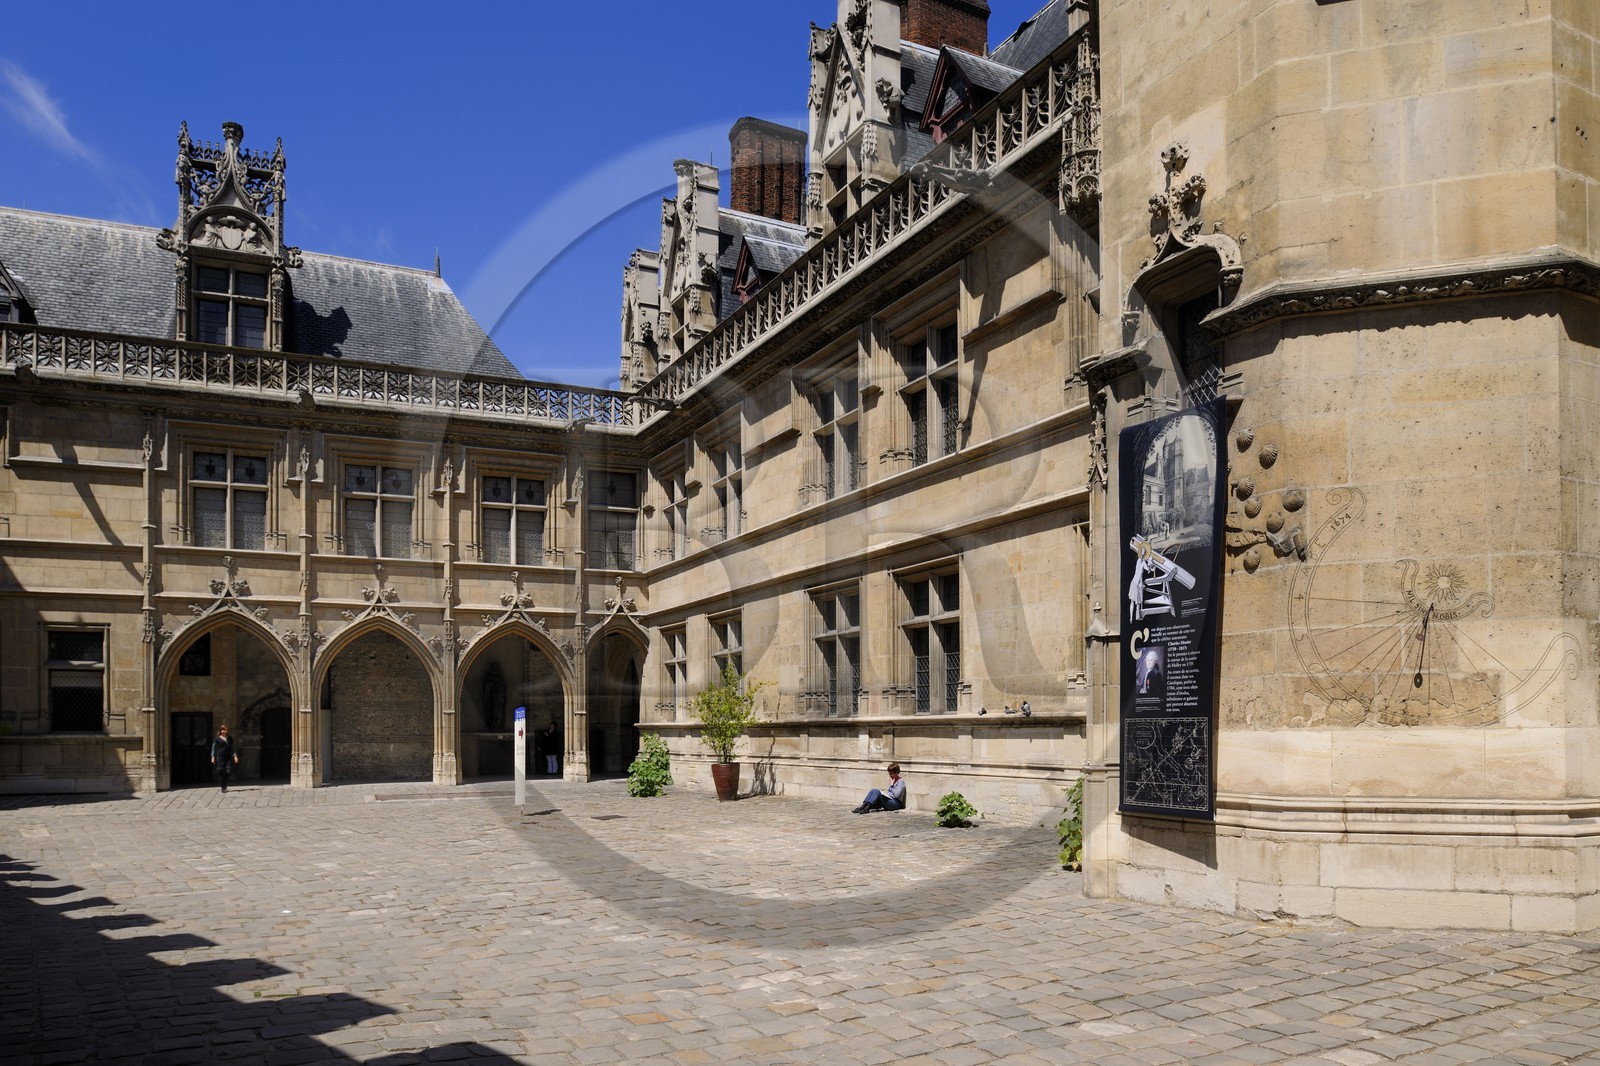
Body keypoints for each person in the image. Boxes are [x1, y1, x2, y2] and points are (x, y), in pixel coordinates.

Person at [210, 724, 238, 793]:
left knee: (228, 771)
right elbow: (213, 748)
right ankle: (223, 786)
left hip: (228, 756)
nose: (224, 731)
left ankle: (225, 784)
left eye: (225, 730)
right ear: (220, 731)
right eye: (223, 730)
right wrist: (212, 757)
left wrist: (235, 756)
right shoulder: (217, 739)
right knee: (221, 771)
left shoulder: (230, 738)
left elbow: (233, 747)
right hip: (220, 756)